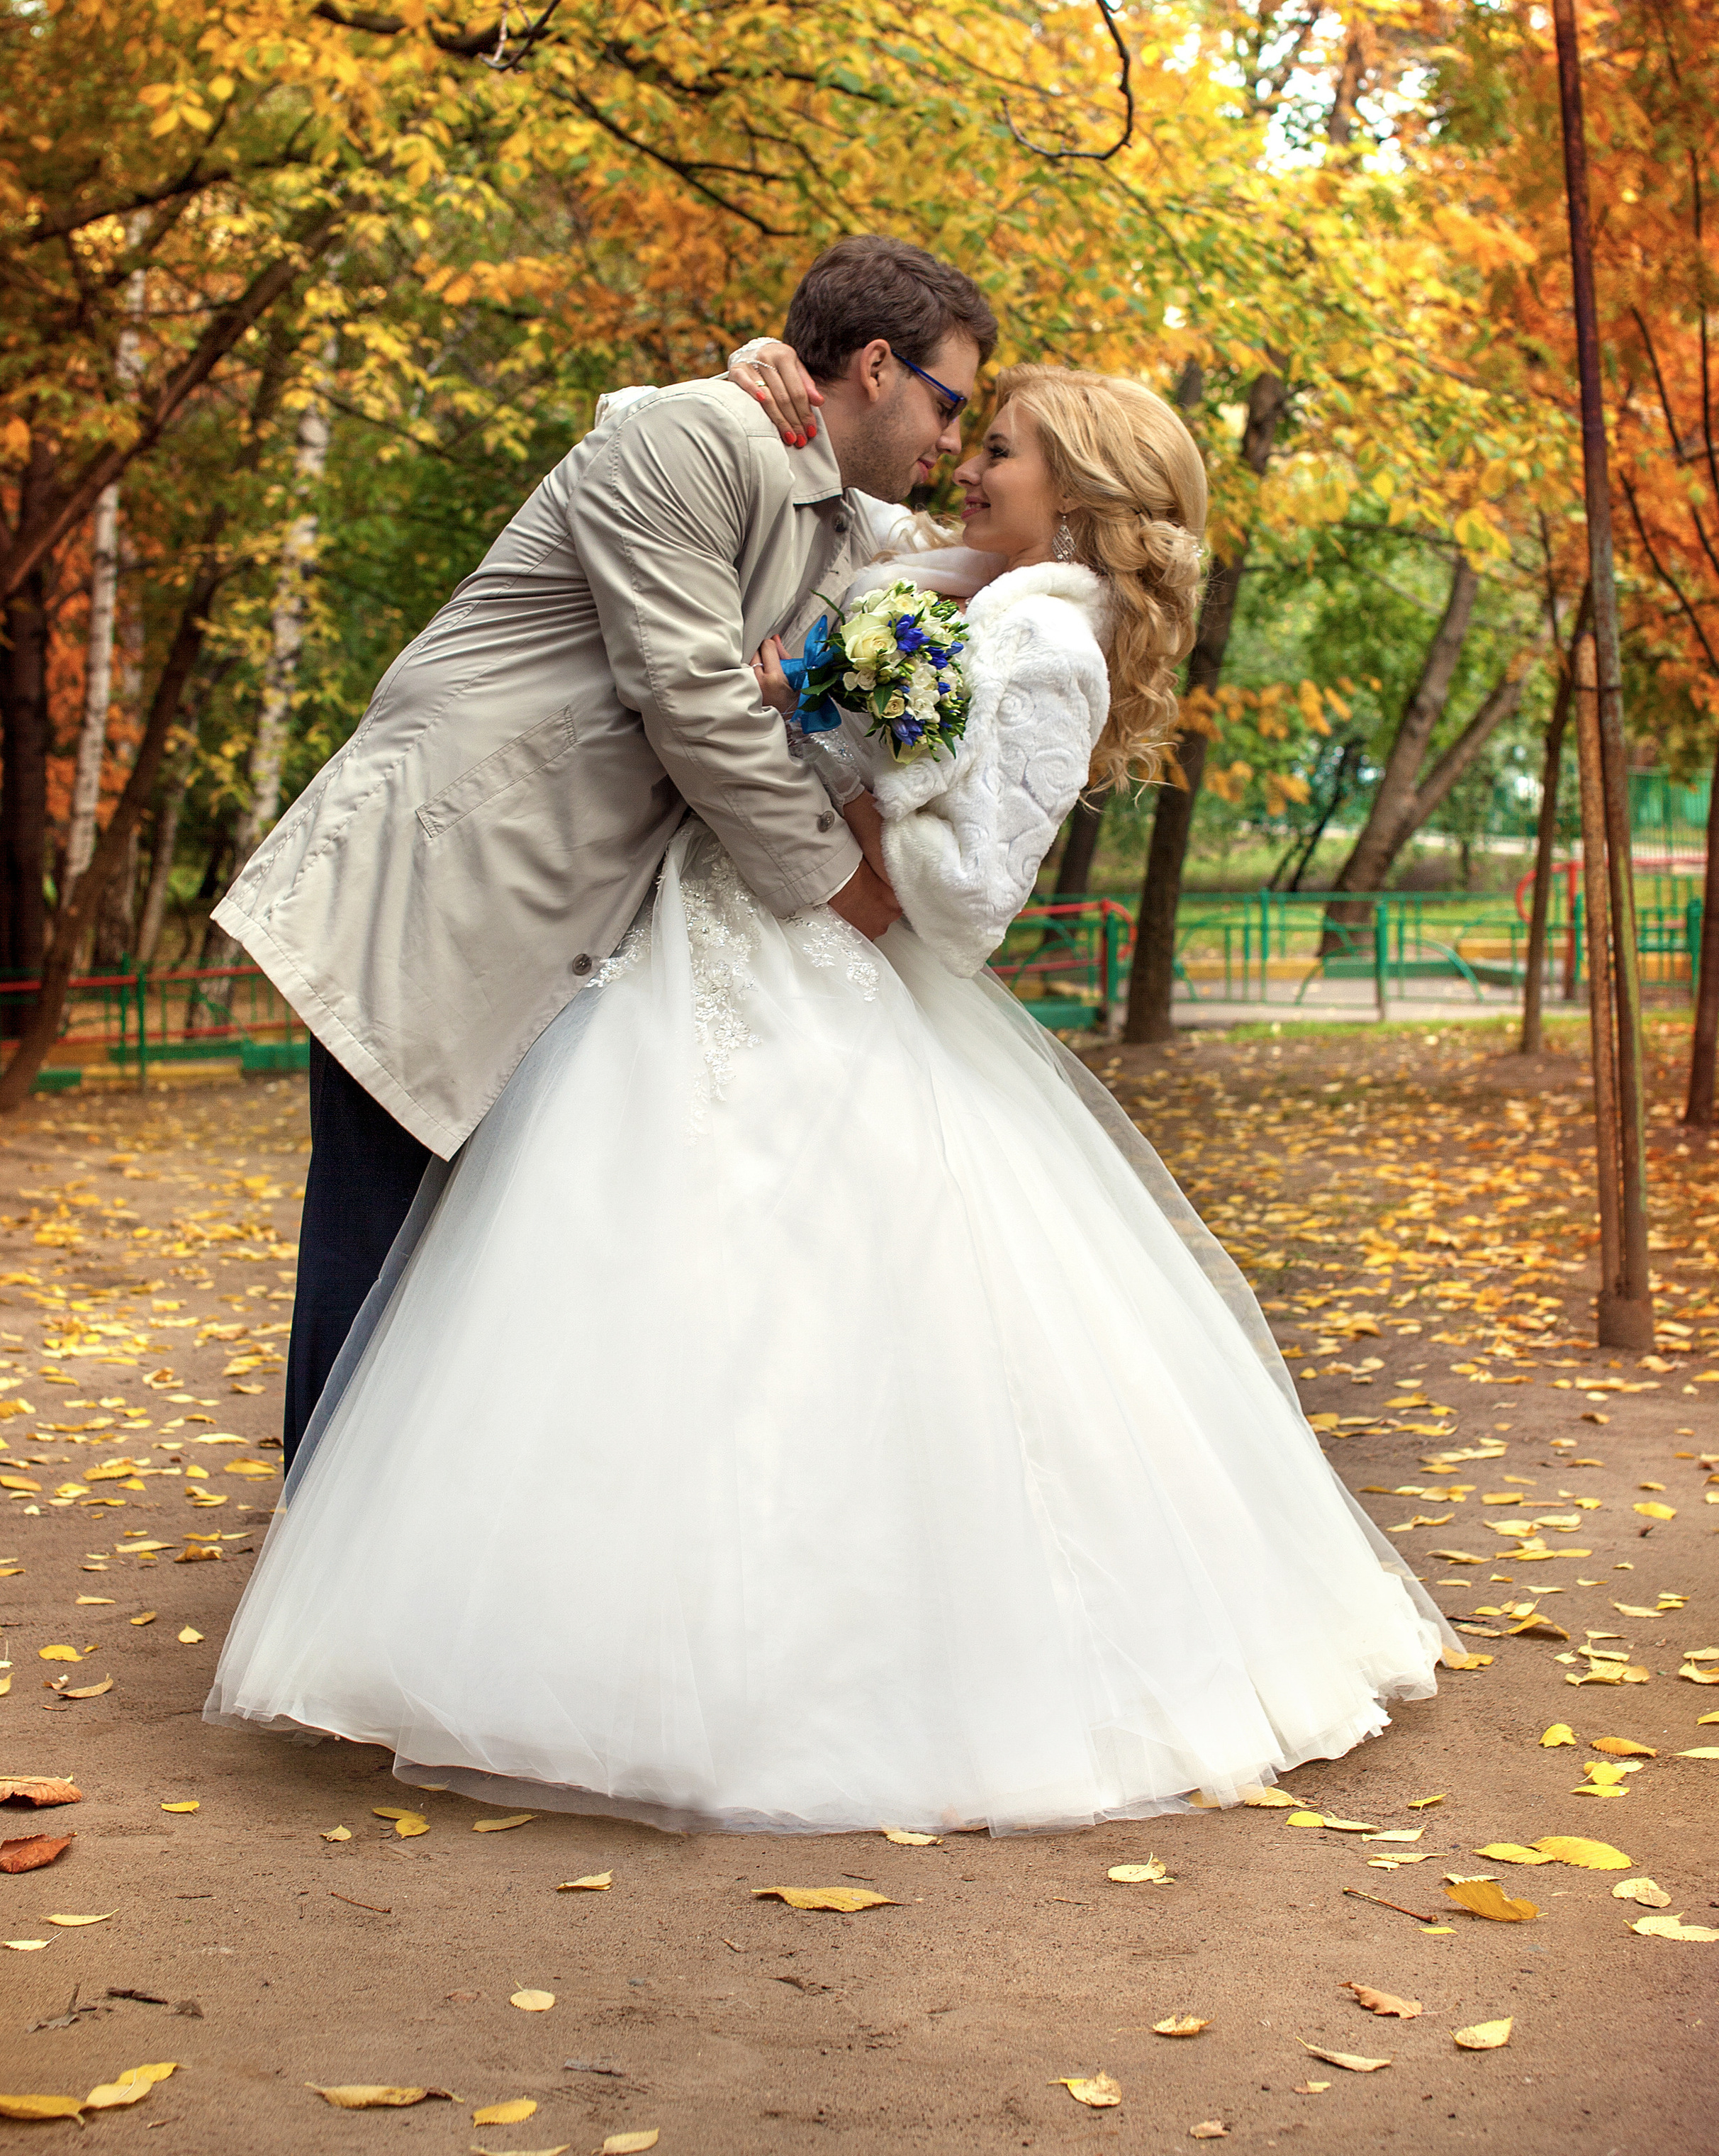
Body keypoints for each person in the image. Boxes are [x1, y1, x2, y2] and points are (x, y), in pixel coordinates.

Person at [206, 354, 1447, 1836]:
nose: (967, 465)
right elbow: (694, 471)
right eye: (967, 432)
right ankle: (581, 1610)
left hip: (821, 948)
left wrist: (884, 775)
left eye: (1001, 449)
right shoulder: (958, 578)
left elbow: (972, 902)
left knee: (810, 1298)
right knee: (620, 1279)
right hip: (711, 927)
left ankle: (792, 1663)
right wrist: (736, 411)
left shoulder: (1053, 643)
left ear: (1079, 493)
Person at [212, 235, 995, 1463]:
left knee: (489, 1248)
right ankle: (316, 1550)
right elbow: (689, 695)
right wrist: (838, 883)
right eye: (949, 405)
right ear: (880, 366)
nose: (952, 443)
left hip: (560, 900)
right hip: (448, 864)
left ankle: (424, 1552)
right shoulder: (695, 438)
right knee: (380, 1226)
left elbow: (962, 558)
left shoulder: (830, 509)